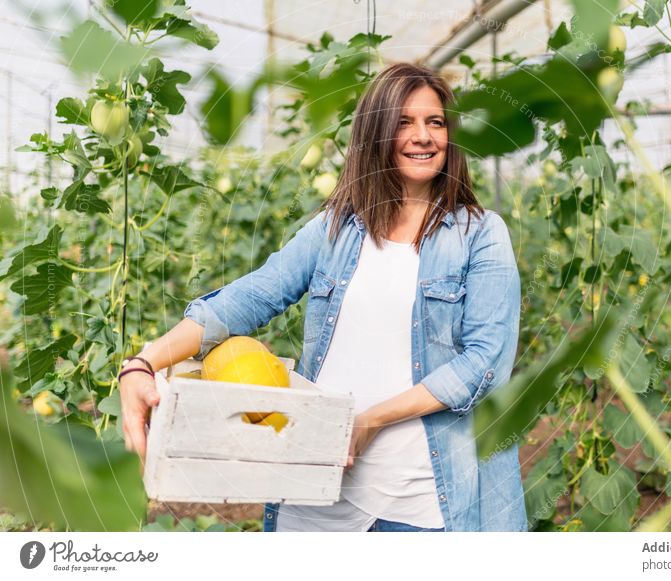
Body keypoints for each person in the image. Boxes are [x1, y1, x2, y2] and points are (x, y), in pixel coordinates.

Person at [119, 62, 525, 532]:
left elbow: (485, 362)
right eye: (403, 122)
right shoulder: (337, 228)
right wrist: (144, 362)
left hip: (419, 500)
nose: (423, 136)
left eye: (435, 122)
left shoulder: (480, 234)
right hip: (316, 487)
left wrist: (371, 419)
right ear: (375, 134)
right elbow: (255, 295)